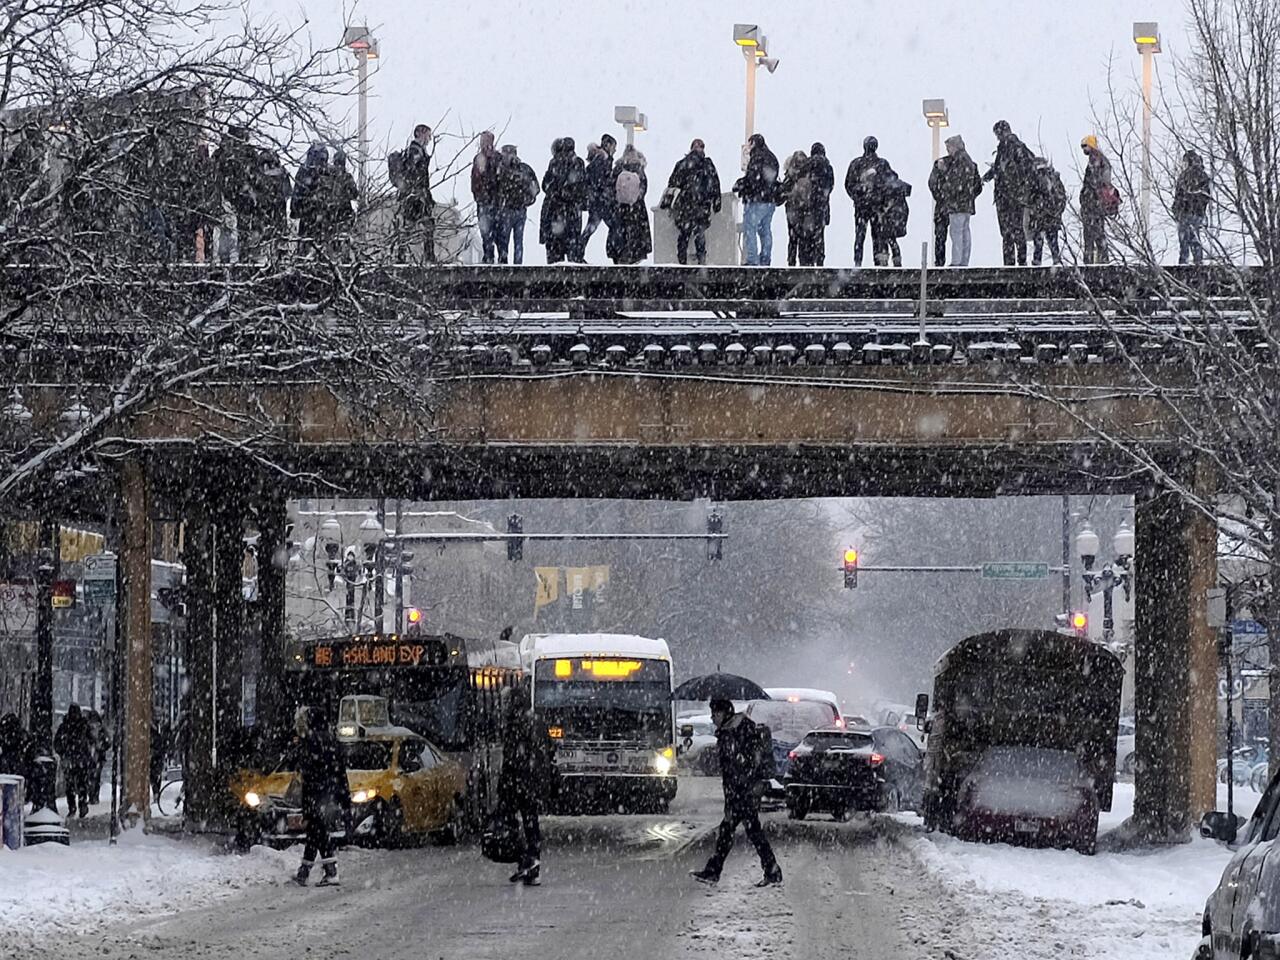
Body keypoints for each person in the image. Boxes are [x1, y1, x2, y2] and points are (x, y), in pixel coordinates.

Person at [690, 698, 782, 887]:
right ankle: (771, 871)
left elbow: (744, 763)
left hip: (743, 790)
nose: (712, 718)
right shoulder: (729, 731)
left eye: (715, 714)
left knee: (738, 831)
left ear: (725, 713)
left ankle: (715, 871)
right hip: (738, 790)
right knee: (742, 831)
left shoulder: (739, 730)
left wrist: (741, 784)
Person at [498, 684, 554, 886]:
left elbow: (511, 759)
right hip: (532, 783)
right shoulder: (537, 722)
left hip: (517, 783)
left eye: (506, 703)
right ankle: (531, 863)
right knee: (531, 823)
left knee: (513, 822)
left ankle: (526, 861)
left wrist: (506, 784)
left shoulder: (516, 724)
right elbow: (549, 751)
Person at [212, 125, 291, 262]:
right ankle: (250, 262)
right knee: (251, 239)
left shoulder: (222, 154)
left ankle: (229, 266)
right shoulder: (249, 154)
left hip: (231, 200)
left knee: (229, 238)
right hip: (247, 203)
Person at [290, 707, 348, 886]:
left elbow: (308, 772)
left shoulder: (311, 741)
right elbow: (340, 770)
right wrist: (343, 795)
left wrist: (307, 805)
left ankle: (330, 872)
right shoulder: (332, 740)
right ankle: (304, 872)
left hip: (316, 794)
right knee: (316, 833)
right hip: (329, 794)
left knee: (318, 832)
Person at [982, 120, 1036, 266]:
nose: (998, 138)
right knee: (1011, 232)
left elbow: (1026, 167)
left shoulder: (1015, 148)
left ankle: (1014, 262)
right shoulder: (1007, 149)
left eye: (998, 134)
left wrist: (1016, 183)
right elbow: (999, 169)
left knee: (1012, 232)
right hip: (1008, 196)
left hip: (1010, 197)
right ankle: (1015, 262)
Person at [662, 139, 721, 265]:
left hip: (685, 205)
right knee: (699, 233)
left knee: (684, 234)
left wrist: (668, 203)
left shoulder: (682, 164)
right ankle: (701, 260)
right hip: (702, 204)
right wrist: (716, 203)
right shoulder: (707, 165)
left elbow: (672, 184)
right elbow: (715, 184)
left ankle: (682, 262)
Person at [928, 135, 983, 267]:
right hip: (966, 205)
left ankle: (957, 261)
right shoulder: (970, 163)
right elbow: (977, 186)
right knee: (965, 231)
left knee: (956, 232)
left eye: (949, 147)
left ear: (955, 146)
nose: (948, 150)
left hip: (956, 204)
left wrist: (944, 194)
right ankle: (964, 260)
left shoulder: (957, 162)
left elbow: (953, 182)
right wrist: (970, 196)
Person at [733, 133, 780, 266]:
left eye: (749, 143)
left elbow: (752, 179)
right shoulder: (772, 157)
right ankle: (766, 259)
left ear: (753, 143)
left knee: (750, 228)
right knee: (765, 229)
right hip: (770, 200)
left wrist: (741, 185)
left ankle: (752, 260)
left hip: (756, 200)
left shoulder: (756, 157)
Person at [844, 137, 892, 267]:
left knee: (860, 236)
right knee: (878, 237)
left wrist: (858, 197)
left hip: (861, 207)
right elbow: (892, 180)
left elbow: (848, 184)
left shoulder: (856, 163)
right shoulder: (882, 164)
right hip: (877, 207)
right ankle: (878, 263)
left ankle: (857, 263)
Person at [540, 137, 587, 264]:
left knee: (555, 254)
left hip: (555, 212)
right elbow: (581, 187)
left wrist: (557, 193)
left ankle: (556, 280)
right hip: (571, 213)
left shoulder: (554, 163)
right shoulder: (577, 163)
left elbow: (546, 185)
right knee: (572, 252)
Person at [607, 144, 652, 265]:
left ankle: (619, 254)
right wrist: (636, 199)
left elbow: (610, 187)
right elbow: (644, 188)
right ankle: (632, 255)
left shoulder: (618, 168)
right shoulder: (639, 169)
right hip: (636, 209)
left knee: (619, 232)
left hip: (620, 209)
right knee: (635, 233)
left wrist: (616, 200)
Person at [494, 144, 539, 264]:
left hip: (507, 209)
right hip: (519, 209)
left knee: (504, 240)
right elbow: (536, 188)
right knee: (518, 240)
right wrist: (528, 200)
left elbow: (494, 189)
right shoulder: (525, 169)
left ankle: (504, 264)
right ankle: (517, 265)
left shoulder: (500, 169)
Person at [399, 124, 435, 263]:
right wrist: (419, 192)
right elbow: (413, 173)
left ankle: (403, 254)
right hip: (415, 195)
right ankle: (427, 256)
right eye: (428, 135)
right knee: (421, 224)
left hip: (417, 194)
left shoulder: (419, 151)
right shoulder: (415, 151)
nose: (429, 139)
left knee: (414, 225)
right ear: (420, 133)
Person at [54, 703, 94, 818]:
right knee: (77, 785)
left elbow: (57, 743)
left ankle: (77, 807)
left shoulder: (69, 726)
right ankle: (78, 806)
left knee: (74, 785)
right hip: (76, 759)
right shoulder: (81, 725)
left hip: (74, 759)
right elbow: (92, 740)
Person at [581, 134, 618, 260]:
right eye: (614, 146)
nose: (615, 150)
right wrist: (608, 188)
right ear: (608, 145)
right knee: (614, 225)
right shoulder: (602, 160)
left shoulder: (599, 159)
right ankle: (614, 252)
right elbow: (599, 181)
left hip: (596, 201)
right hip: (601, 201)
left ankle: (577, 252)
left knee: (591, 228)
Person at [1080, 134, 1114, 265]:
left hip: (1092, 203)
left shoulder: (1095, 159)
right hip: (1097, 203)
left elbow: (1093, 181)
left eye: (1085, 146)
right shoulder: (1102, 160)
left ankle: (1090, 261)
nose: (1084, 150)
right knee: (1099, 233)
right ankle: (1103, 259)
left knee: (1091, 234)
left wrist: (1087, 197)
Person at [1173, 149, 1211, 265]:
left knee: (1186, 242)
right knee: (1193, 241)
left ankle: (1185, 264)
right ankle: (1196, 264)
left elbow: (1180, 194)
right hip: (1194, 212)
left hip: (1187, 212)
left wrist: (1178, 207)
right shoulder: (1202, 175)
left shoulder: (1187, 175)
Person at [1027, 157, 1066, 266]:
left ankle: (1037, 264)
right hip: (1051, 217)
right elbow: (1062, 198)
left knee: (1039, 244)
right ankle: (1056, 263)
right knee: (1053, 243)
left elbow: (1030, 199)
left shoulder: (1036, 179)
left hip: (1041, 217)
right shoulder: (1054, 178)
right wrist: (1057, 213)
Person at [291, 142, 330, 247]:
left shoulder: (305, 171)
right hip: (321, 222)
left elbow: (295, 200)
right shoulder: (328, 174)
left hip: (312, 220)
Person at [320, 149, 359, 251]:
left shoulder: (328, 175)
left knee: (331, 244)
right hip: (342, 214)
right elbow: (354, 194)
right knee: (341, 243)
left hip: (331, 215)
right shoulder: (345, 176)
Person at [471, 131, 500, 263]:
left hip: (492, 200)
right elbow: (475, 179)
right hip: (485, 200)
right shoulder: (480, 158)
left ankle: (492, 256)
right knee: (486, 231)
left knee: (493, 229)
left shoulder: (496, 158)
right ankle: (489, 255)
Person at [779, 150, 812, 266]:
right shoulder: (809, 173)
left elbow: (783, 191)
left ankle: (791, 262)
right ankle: (804, 263)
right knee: (804, 238)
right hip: (806, 210)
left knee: (793, 238)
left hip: (792, 210)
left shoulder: (791, 174)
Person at [806, 142, 835, 266]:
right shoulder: (828, 166)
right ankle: (820, 259)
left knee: (807, 233)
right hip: (822, 205)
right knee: (819, 233)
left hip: (807, 204)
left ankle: (808, 260)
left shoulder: (807, 164)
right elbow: (831, 185)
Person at [875, 170, 912, 267]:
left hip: (889, 216)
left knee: (884, 237)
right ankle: (896, 259)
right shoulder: (900, 188)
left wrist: (881, 211)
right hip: (899, 216)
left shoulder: (886, 188)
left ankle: (884, 260)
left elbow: (883, 203)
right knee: (891, 239)